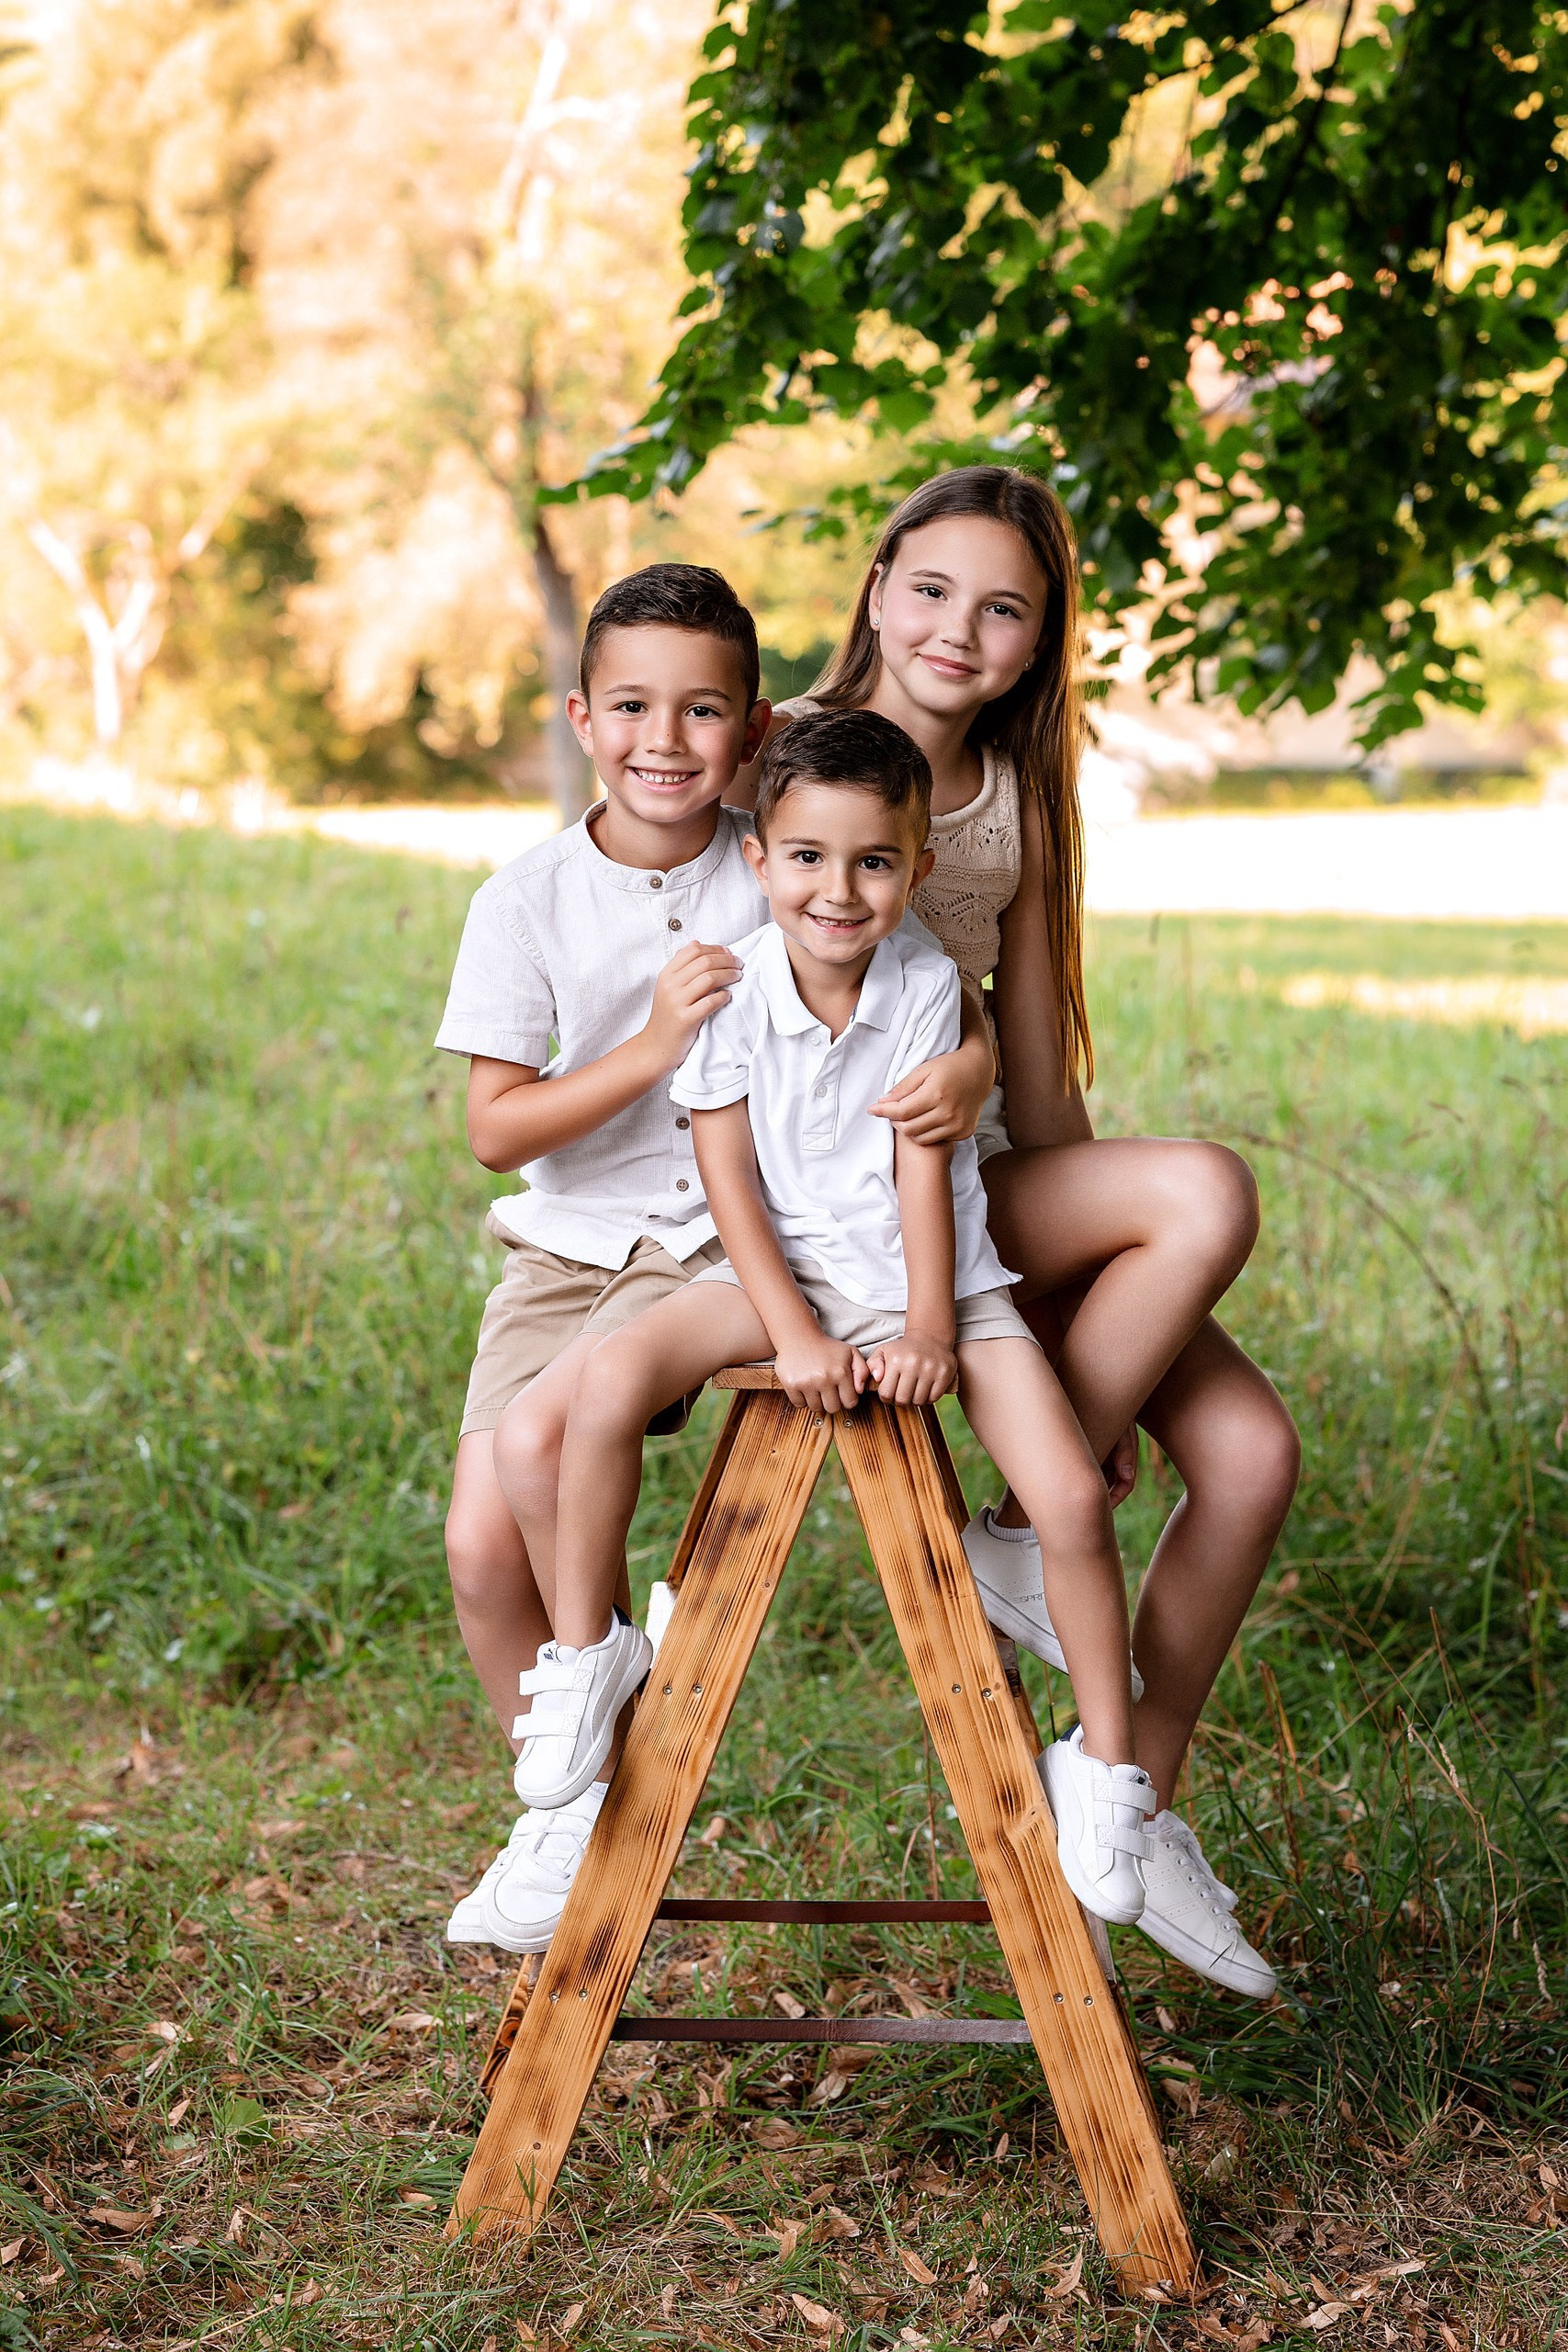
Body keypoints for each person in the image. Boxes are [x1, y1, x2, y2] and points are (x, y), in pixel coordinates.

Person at [738, 467, 1300, 1996]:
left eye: (1004, 610)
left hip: (983, 1198)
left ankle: (1132, 1797)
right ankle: (1019, 1533)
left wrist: (1080, 1300)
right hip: (835, 1202)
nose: (956, 630)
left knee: (1251, 1453)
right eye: (930, 589)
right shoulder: (777, 756)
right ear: (875, 584)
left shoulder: (1011, 802)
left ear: (1042, 641)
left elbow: (1042, 1089)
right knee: (1206, 1187)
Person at [499, 708, 1158, 1926]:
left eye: (873, 863)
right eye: (806, 857)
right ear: (760, 859)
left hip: (938, 1277)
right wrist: (796, 1334)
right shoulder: (732, 986)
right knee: (605, 1381)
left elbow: (923, 1174)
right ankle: (591, 1651)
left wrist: (929, 1329)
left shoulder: (926, 986)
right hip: (774, 1274)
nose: (839, 892)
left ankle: (1109, 1772)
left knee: (1069, 1498)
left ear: (918, 866)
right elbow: (728, 1179)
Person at [434, 565, 995, 1955]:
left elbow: (931, 987)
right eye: (630, 706)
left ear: (752, 730)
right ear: (581, 716)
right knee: (477, 1540)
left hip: (718, 1235)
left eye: (702, 711)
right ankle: (566, 1802)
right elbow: (496, 1133)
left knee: (542, 1444)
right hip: (570, 1239)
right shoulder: (528, 899)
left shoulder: (786, 856)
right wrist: (649, 1046)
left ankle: (588, 1707)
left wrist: (975, 1065)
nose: (664, 739)